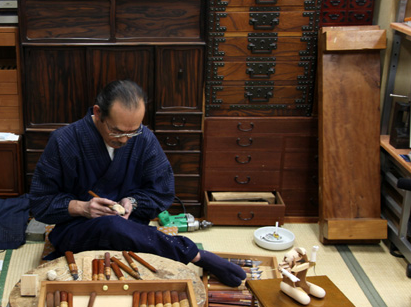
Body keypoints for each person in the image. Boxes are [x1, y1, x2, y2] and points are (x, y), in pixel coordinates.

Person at [29, 80, 247, 287]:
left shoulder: (143, 138)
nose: (125, 139)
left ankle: (169, 247)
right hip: (77, 231)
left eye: (132, 131)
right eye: (117, 131)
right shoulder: (64, 141)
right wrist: (82, 207)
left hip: (132, 231)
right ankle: (193, 254)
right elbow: (40, 203)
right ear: (98, 113)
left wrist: (132, 202)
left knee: (118, 226)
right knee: (111, 226)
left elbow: (163, 191)